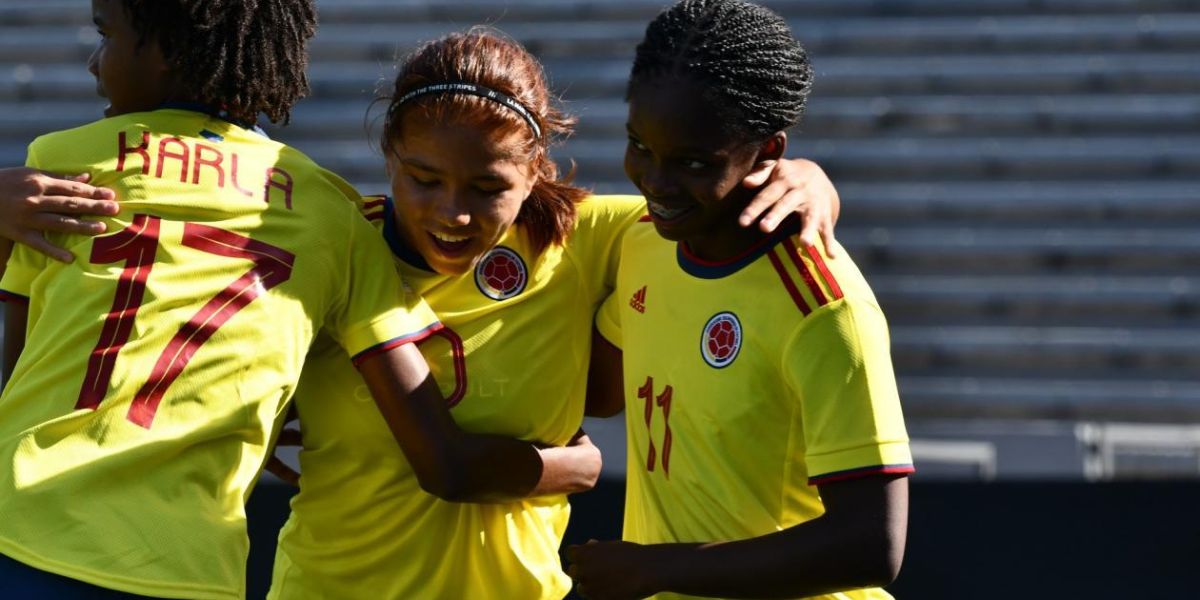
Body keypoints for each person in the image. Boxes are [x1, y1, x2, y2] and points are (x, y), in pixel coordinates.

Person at [0, 25, 840, 600]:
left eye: (487, 189)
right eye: (422, 178)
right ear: (387, 159)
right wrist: (572, 469)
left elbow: (713, 199)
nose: (451, 211)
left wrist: (806, 176)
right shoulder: (333, 248)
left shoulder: (599, 238)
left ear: (537, 170)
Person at [0, 3, 599, 599]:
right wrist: (578, 468)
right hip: (184, 569)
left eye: (106, 36)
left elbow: (20, 373)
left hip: (20, 528)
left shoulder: (61, 167)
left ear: (165, 51)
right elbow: (444, 459)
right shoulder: (328, 211)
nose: (92, 61)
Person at [571, 1, 913, 598]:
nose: (656, 181)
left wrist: (654, 570)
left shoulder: (825, 308)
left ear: (768, 153)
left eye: (694, 163)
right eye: (639, 146)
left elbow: (872, 545)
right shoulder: (644, 243)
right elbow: (601, 394)